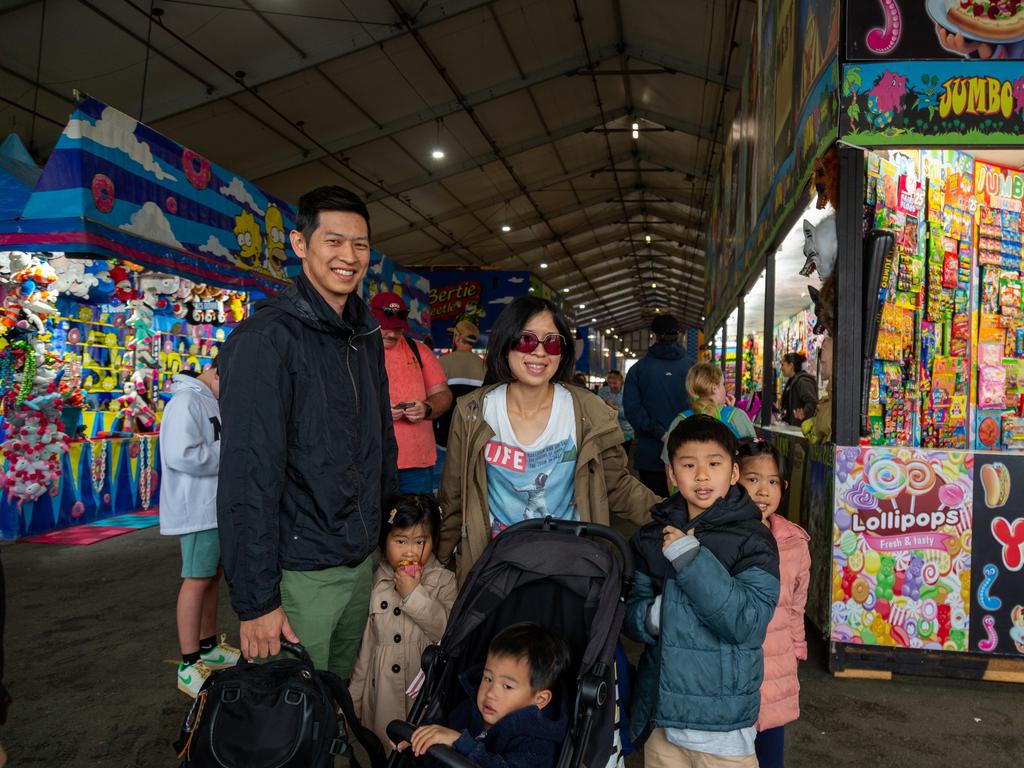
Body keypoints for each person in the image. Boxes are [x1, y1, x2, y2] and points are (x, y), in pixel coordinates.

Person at [217, 185, 399, 677]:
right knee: (289, 718)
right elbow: (246, 477)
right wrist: (256, 602)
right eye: (334, 242)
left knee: (338, 708)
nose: (349, 257)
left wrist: (384, 534)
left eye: (360, 245)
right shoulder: (265, 340)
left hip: (360, 562)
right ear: (300, 244)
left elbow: (381, 440)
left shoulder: (364, 335)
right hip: (301, 575)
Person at [438, 296, 658, 584]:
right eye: (527, 340)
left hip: (570, 568)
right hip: (495, 568)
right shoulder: (473, 413)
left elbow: (617, 486)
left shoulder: (586, 411)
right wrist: (437, 565)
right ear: (506, 344)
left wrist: (676, 515)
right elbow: (454, 498)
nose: (540, 352)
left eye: (552, 342)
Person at [625, 415, 780, 768]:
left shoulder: (754, 540)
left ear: (734, 473)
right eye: (688, 464)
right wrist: (651, 616)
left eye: (714, 464)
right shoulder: (651, 537)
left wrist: (690, 560)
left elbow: (746, 622)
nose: (701, 476)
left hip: (723, 728)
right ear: (671, 474)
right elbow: (630, 619)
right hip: (662, 722)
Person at [350, 494, 458, 751]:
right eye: (400, 541)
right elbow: (366, 646)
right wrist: (352, 701)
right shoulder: (376, 581)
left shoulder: (443, 581)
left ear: (433, 541)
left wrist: (414, 593)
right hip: (383, 694)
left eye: (420, 541)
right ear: (384, 541)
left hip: (425, 695)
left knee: (423, 752)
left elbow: (446, 631)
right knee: (385, 752)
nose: (410, 551)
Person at [159, 362, 240, 697]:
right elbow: (181, 454)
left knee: (211, 577)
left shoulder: (209, 399)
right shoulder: (185, 402)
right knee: (196, 579)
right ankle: (188, 661)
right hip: (197, 509)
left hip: (214, 507)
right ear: (217, 372)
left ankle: (208, 647)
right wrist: (229, 454)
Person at [736, 439, 810, 768]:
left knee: (770, 756)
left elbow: (796, 605)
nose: (763, 491)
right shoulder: (723, 537)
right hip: (735, 668)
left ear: (784, 486)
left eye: (772, 482)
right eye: (752, 480)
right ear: (733, 479)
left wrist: (797, 648)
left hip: (777, 667)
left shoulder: (795, 542)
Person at [405, 623, 570, 768]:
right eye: (488, 678)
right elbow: (438, 736)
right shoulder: (467, 710)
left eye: (507, 686)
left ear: (539, 699)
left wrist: (461, 742)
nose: (490, 693)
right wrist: (420, 740)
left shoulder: (538, 745)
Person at [370, 291, 452, 494]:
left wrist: (426, 408)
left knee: (417, 524)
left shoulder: (420, 350)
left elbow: (443, 395)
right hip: (369, 463)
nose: (391, 334)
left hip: (417, 464)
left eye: (397, 328)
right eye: (385, 327)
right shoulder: (355, 351)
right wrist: (378, 413)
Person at [623, 313, 692, 497]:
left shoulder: (638, 369)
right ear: (678, 335)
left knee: (655, 509)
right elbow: (704, 404)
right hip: (689, 452)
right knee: (688, 508)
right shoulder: (693, 367)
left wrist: (660, 434)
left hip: (650, 454)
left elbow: (632, 409)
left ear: (653, 335)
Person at [660, 362, 756, 465]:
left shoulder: (680, 420)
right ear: (714, 388)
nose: (724, 389)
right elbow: (755, 456)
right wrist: (732, 412)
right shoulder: (737, 417)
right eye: (722, 384)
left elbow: (669, 464)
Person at [434, 319, 486, 489]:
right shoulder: (485, 367)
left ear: (456, 338)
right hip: (474, 437)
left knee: (439, 483)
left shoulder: (442, 363)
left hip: (445, 437)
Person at [598, 370, 634, 457]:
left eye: (614, 383)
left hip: (625, 433)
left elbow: (628, 414)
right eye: (609, 383)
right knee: (610, 458)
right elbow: (598, 410)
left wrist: (612, 406)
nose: (611, 385)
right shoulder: (603, 392)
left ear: (621, 381)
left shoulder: (628, 392)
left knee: (624, 457)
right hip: (607, 431)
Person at [779, 352, 817, 426]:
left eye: (783, 365)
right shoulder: (791, 381)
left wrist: (804, 412)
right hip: (792, 428)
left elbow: (812, 402)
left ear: (791, 365)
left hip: (800, 431)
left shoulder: (802, 381)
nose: (781, 368)